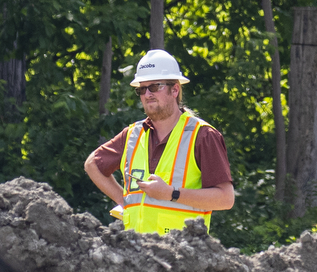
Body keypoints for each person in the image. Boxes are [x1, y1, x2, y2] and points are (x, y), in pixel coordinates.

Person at [84, 49, 235, 234]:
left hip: (182, 249)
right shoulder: (132, 135)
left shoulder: (203, 135)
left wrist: (172, 193)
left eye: (155, 87)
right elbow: (92, 164)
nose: (147, 94)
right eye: (142, 89)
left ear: (175, 89)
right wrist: (124, 201)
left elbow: (226, 199)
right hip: (134, 248)